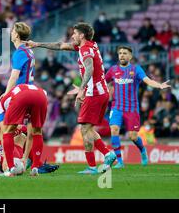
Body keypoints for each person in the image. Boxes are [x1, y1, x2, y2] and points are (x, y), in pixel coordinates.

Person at [27, 22, 116, 174]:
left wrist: (81, 89)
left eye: (75, 33)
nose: (72, 35)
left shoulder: (86, 49)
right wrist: (37, 44)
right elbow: (60, 45)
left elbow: (90, 68)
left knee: (84, 129)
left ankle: (93, 167)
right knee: (88, 128)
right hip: (99, 92)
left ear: (81, 35)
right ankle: (108, 154)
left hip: (94, 93)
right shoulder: (88, 45)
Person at [104, 46, 171, 168]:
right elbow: (102, 81)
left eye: (125, 53)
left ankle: (143, 151)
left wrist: (159, 85)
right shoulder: (113, 70)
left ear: (130, 56)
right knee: (114, 129)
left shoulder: (136, 69)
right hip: (116, 107)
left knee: (133, 136)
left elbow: (148, 80)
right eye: (120, 53)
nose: (122, 55)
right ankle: (119, 161)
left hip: (132, 108)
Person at [0, 84, 49, 177]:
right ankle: (35, 168)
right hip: (41, 95)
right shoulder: (13, 95)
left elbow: (3, 133)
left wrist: (5, 158)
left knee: (8, 131)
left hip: (22, 97)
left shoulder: (0, 106)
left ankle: (11, 168)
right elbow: (30, 135)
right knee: (37, 131)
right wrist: (24, 157)